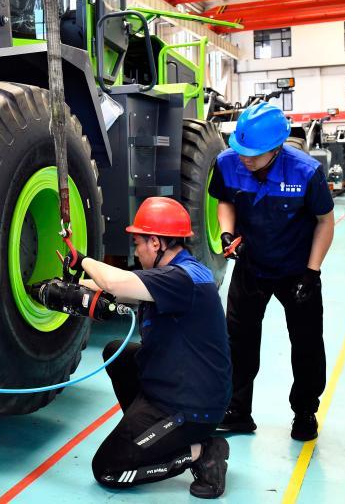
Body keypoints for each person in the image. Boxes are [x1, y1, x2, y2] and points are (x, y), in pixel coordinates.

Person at [69, 196, 232, 499]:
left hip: (191, 406)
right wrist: (71, 287)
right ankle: (147, 437)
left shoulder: (183, 279)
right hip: (176, 385)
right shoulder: (177, 271)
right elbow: (116, 289)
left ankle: (202, 450)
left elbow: (116, 284)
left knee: (108, 469)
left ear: (155, 243)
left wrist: (83, 260)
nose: (136, 251)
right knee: (118, 353)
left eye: (138, 244)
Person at [209, 102, 335, 441]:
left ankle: (305, 411)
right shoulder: (227, 162)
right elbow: (225, 200)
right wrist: (227, 233)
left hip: (297, 270)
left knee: (307, 343)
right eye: (241, 150)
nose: (245, 159)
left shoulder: (306, 172)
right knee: (238, 340)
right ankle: (237, 411)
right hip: (251, 266)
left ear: (276, 148)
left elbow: (325, 221)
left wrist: (312, 272)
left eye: (253, 153)